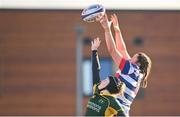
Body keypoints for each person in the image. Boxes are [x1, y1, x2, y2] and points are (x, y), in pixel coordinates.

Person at [98, 14, 152, 116]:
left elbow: (112, 50)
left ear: (138, 63)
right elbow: (122, 49)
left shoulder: (131, 69)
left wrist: (107, 29)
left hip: (115, 112)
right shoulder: (138, 75)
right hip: (122, 112)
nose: (130, 57)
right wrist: (117, 30)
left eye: (133, 57)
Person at [85, 38, 126, 116]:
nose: (103, 80)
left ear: (108, 87)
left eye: (106, 81)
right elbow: (95, 70)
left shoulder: (111, 101)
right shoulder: (97, 90)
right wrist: (94, 51)